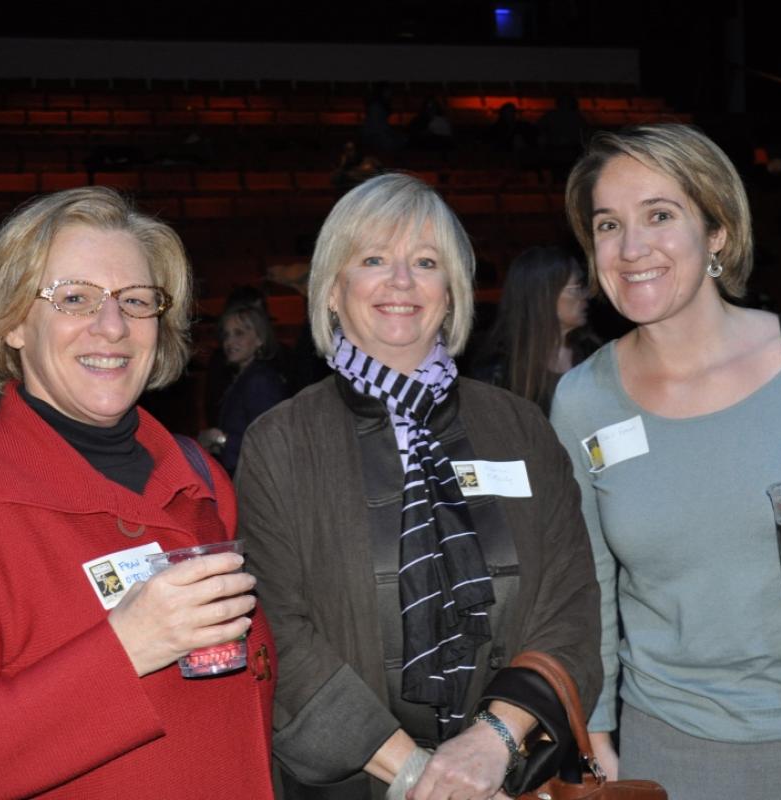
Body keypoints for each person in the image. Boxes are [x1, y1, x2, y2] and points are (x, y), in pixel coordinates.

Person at [235, 173, 602, 800]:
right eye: (373, 258)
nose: (401, 281)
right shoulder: (280, 442)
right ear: (331, 290)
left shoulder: (520, 427)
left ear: (452, 293)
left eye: (425, 262)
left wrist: (492, 743)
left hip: (508, 777)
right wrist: (420, 779)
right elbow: (277, 632)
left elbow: (569, 604)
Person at [0, 186, 276, 799]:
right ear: (15, 321)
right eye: (75, 298)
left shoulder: (202, 478)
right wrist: (128, 648)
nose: (113, 325)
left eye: (136, 300)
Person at [551, 123, 781, 799]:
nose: (631, 249)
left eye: (660, 215)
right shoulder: (582, 400)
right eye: (607, 224)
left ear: (716, 232)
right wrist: (595, 729)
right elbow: (588, 580)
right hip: (670, 748)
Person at [470, 245, 598, 415]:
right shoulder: (496, 373)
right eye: (576, 288)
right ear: (544, 296)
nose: (586, 295)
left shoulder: (594, 354)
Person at [199, 303, 289, 476]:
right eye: (226, 335)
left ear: (260, 339)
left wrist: (219, 439)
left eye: (239, 333)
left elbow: (268, 443)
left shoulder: (260, 380)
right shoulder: (245, 378)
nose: (229, 342)